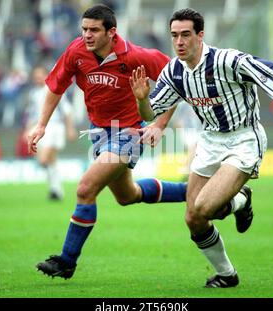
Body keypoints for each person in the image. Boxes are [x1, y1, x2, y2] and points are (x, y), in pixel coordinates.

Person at [130, 8, 273, 288]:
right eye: (174, 36)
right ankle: (227, 274)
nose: (179, 41)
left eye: (185, 35)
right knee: (193, 217)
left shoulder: (228, 60)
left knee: (205, 207)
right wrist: (141, 99)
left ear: (200, 35)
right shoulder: (173, 71)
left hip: (243, 140)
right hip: (210, 141)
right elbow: (149, 113)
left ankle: (240, 199)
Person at [27, 4, 187, 280]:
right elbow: (55, 86)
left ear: (112, 32)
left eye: (93, 30)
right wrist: (41, 124)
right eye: (84, 29)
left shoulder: (137, 56)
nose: (86, 35)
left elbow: (179, 78)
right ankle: (195, 191)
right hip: (99, 132)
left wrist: (159, 123)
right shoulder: (76, 51)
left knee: (86, 188)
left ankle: (66, 260)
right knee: (128, 196)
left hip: (128, 132)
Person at [26, 66, 78, 201]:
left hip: (55, 127)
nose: (37, 79)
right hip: (41, 129)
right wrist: (27, 129)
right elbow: (33, 114)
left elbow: (67, 111)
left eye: (40, 75)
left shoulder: (55, 89)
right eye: (35, 76)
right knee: (51, 161)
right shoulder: (34, 94)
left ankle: (55, 189)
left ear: (46, 76)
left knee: (43, 159)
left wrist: (70, 129)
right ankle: (56, 190)